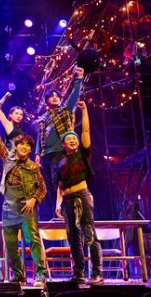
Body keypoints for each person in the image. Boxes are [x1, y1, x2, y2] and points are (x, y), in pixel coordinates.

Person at [0, 114, 48, 286]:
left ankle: (40, 274)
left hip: (26, 208)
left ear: (30, 150)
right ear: (15, 147)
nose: (24, 147)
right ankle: (18, 275)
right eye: (21, 144)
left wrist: (34, 200)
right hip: (9, 207)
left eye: (27, 145)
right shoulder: (8, 159)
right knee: (11, 245)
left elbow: (42, 188)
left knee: (34, 241)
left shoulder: (33, 167)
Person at [55, 101, 103, 285]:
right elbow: (60, 185)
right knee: (74, 239)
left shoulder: (83, 154)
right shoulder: (61, 162)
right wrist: (58, 203)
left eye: (74, 138)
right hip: (67, 199)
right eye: (68, 139)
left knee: (89, 235)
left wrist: (84, 111)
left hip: (82, 196)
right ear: (63, 144)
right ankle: (78, 273)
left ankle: (97, 273)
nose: (72, 140)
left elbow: (85, 132)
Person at [37, 67, 84, 216]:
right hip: (46, 154)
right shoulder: (43, 118)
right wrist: (37, 154)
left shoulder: (65, 111)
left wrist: (78, 79)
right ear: (46, 101)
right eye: (52, 96)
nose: (55, 98)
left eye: (57, 96)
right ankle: (57, 211)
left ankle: (66, 210)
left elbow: (74, 97)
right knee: (51, 184)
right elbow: (39, 137)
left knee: (60, 181)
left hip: (61, 152)